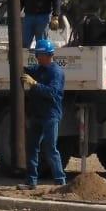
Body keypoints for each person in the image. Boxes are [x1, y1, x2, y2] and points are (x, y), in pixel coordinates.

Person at [18, 38, 67, 190]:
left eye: (39, 54)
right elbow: (27, 70)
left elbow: (52, 93)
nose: (37, 57)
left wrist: (34, 84)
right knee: (32, 148)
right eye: (37, 54)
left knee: (50, 148)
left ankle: (60, 182)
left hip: (50, 115)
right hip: (37, 114)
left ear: (47, 55)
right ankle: (31, 181)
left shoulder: (56, 72)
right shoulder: (39, 69)